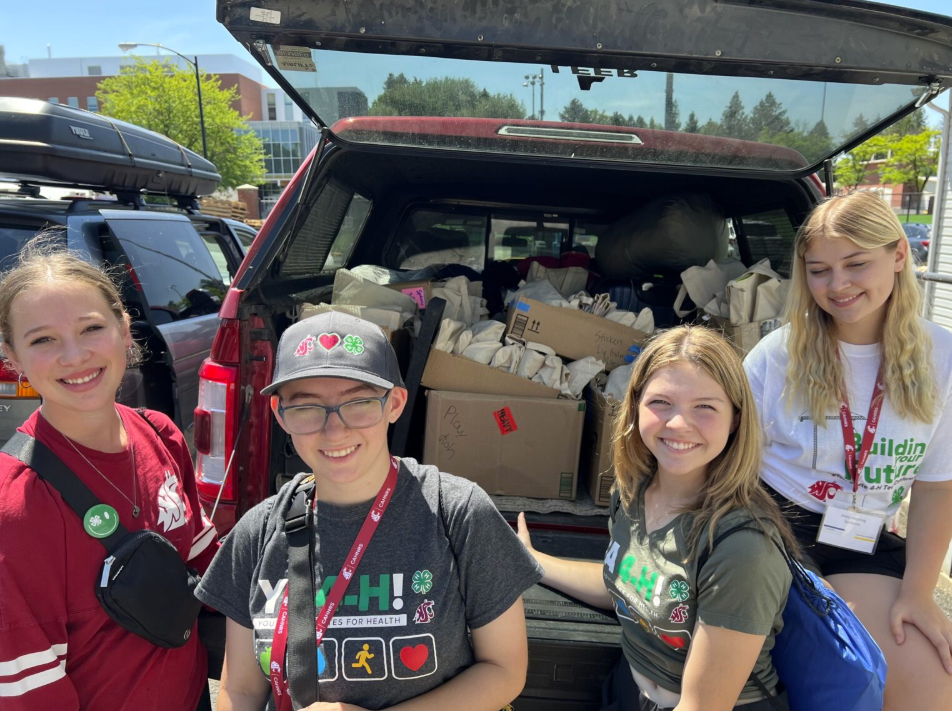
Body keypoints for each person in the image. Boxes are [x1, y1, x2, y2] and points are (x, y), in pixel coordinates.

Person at [195, 310, 543, 711]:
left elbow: (505, 670)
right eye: (307, 407)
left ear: (394, 403)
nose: (335, 430)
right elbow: (240, 691)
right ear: (279, 414)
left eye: (358, 403)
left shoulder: (458, 512)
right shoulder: (257, 532)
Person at [744, 191, 952, 710]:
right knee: (844, 670)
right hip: (772, 528)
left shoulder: (942, 358)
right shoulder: (778, 354)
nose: (838, 285)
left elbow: (936, 485)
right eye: (819, 270)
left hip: (862, 537)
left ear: (899, 255)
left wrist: (918, 593)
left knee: (927, 683)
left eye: (856, 263)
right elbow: (729, 459)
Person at [519, 326, 797, 711]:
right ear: (634, 407)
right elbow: (625, 582)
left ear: (735, 418)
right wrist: (533, 560)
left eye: (705, 406)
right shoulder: (633, 491)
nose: (679, 423)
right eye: (661, 402)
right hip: (628, 690)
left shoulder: (743, 548)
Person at [0, 237, 219, 710]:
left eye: (91, 328)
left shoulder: (160, 435)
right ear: (11, 356)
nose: (74, 356)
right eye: (43, 339)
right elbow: (27, 688)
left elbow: (204, 568)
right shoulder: (15, 505)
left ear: (124, 328)